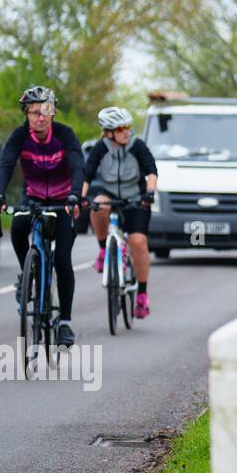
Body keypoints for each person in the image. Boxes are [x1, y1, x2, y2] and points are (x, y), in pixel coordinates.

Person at [0, 86, 84, 346]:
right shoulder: (20, 136)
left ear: (53, 111)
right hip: (33, 198)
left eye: (45, 111)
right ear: (26, 114)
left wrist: (75, 195)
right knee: (17, 228)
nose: (40, 117)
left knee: (62, 259)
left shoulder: (64, 134)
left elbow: (77, 164)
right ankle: (28, 273)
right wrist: (0, 195)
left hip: (62, 201)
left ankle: (65, 323)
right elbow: (5, 164)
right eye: (34, 112)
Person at [82, 106, 159, 318]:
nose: (127, 132)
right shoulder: (101, 147)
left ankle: (142, 295)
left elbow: (152, 171)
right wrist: (80, 197)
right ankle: (103, 250)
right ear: (108, 132)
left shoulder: (137, 145)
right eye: (121, 128)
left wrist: (150, 193)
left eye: (128, 127)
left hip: (135, 196)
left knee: (137, 243)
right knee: (98, 205)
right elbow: (86, 175)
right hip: (110, 193)